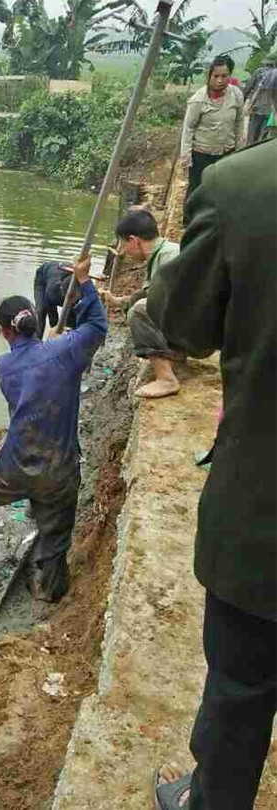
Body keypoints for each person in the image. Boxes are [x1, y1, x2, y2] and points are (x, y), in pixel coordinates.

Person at [148, 139, 276, 809]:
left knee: (240, 689)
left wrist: (169, 262)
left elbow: (184, 325)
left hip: (263, 518)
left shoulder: (242, 187)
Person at [0, 254, 107, 602]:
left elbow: (33, 366)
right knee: (55, 535)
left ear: (3, 331)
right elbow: (97, 326)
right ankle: (47, 591)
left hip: (13, 465)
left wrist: (52, 344)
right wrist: (85, 282)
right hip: (59, 468)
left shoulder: (4, 367)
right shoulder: (66, 352)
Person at [101, 209, 181, 399]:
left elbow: (172, 302)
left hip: (200, 330)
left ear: (134, 240)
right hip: (192, 322)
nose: (122, 251)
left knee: (139, 310)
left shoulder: (170, 257)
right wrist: (116, 301)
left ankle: (166, 378)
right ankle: (176, 353)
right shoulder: (162, 254)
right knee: (140, 298)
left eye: (123, 243)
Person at [181, 55, 244, 202]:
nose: (220, 80)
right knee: (197, 191)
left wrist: (239, 149)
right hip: (202, 155)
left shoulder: (236, 95)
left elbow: (239, 123)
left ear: (230, 75)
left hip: (226, 153)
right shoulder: (198, 100)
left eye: (224, 76)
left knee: (222, 189)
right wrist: (186, 158)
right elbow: (188, 128)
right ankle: (190, 222)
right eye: (216, 76)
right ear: (209, 75)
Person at [33, 261, 76, 337]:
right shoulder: (52, 292)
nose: (72, 300)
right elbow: (52, 316)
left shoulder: (81, 291)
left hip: (63, 274)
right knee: (41, 312)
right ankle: (36, 343)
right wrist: (55, 332)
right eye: (70, 298)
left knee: (71, 322)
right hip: (43, 279)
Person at [244, 52, 277, 144]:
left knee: (252, 136)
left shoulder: (259, 72)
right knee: (264, 138)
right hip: (271, 111)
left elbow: (248, 88)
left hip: (257, 108)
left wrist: (245, 102)